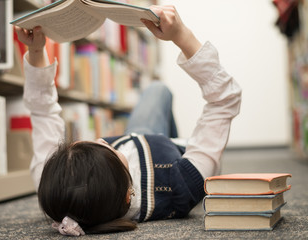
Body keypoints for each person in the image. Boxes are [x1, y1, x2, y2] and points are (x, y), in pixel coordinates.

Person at [15, 5, 241, 236]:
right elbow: (224, 99)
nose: (103, 139)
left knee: (156, 91)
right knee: (158, 89)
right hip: (178, 155)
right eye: (106, 149)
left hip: (140, 140)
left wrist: (36, 50)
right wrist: (182, 36)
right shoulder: (182, 181)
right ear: (128, 193)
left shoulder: (54, 185)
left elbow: (43, 111)